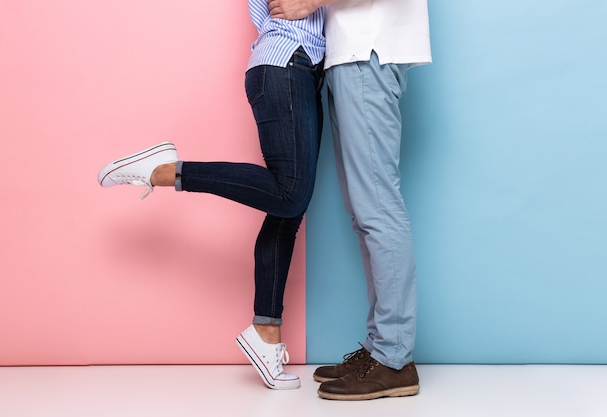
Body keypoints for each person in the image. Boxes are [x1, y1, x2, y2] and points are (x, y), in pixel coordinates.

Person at [97, 1, 325, 390]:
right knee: (289, 194)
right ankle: (166, 170)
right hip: (286, 62)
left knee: (288, 210)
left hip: (299, 69)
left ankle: (265, 334)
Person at [269, 0, 432, 400]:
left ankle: (394, 357)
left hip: (368, 54)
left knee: (377, 208)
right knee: (366, 212)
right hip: (355, 57)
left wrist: (306, 3)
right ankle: (381, 349)